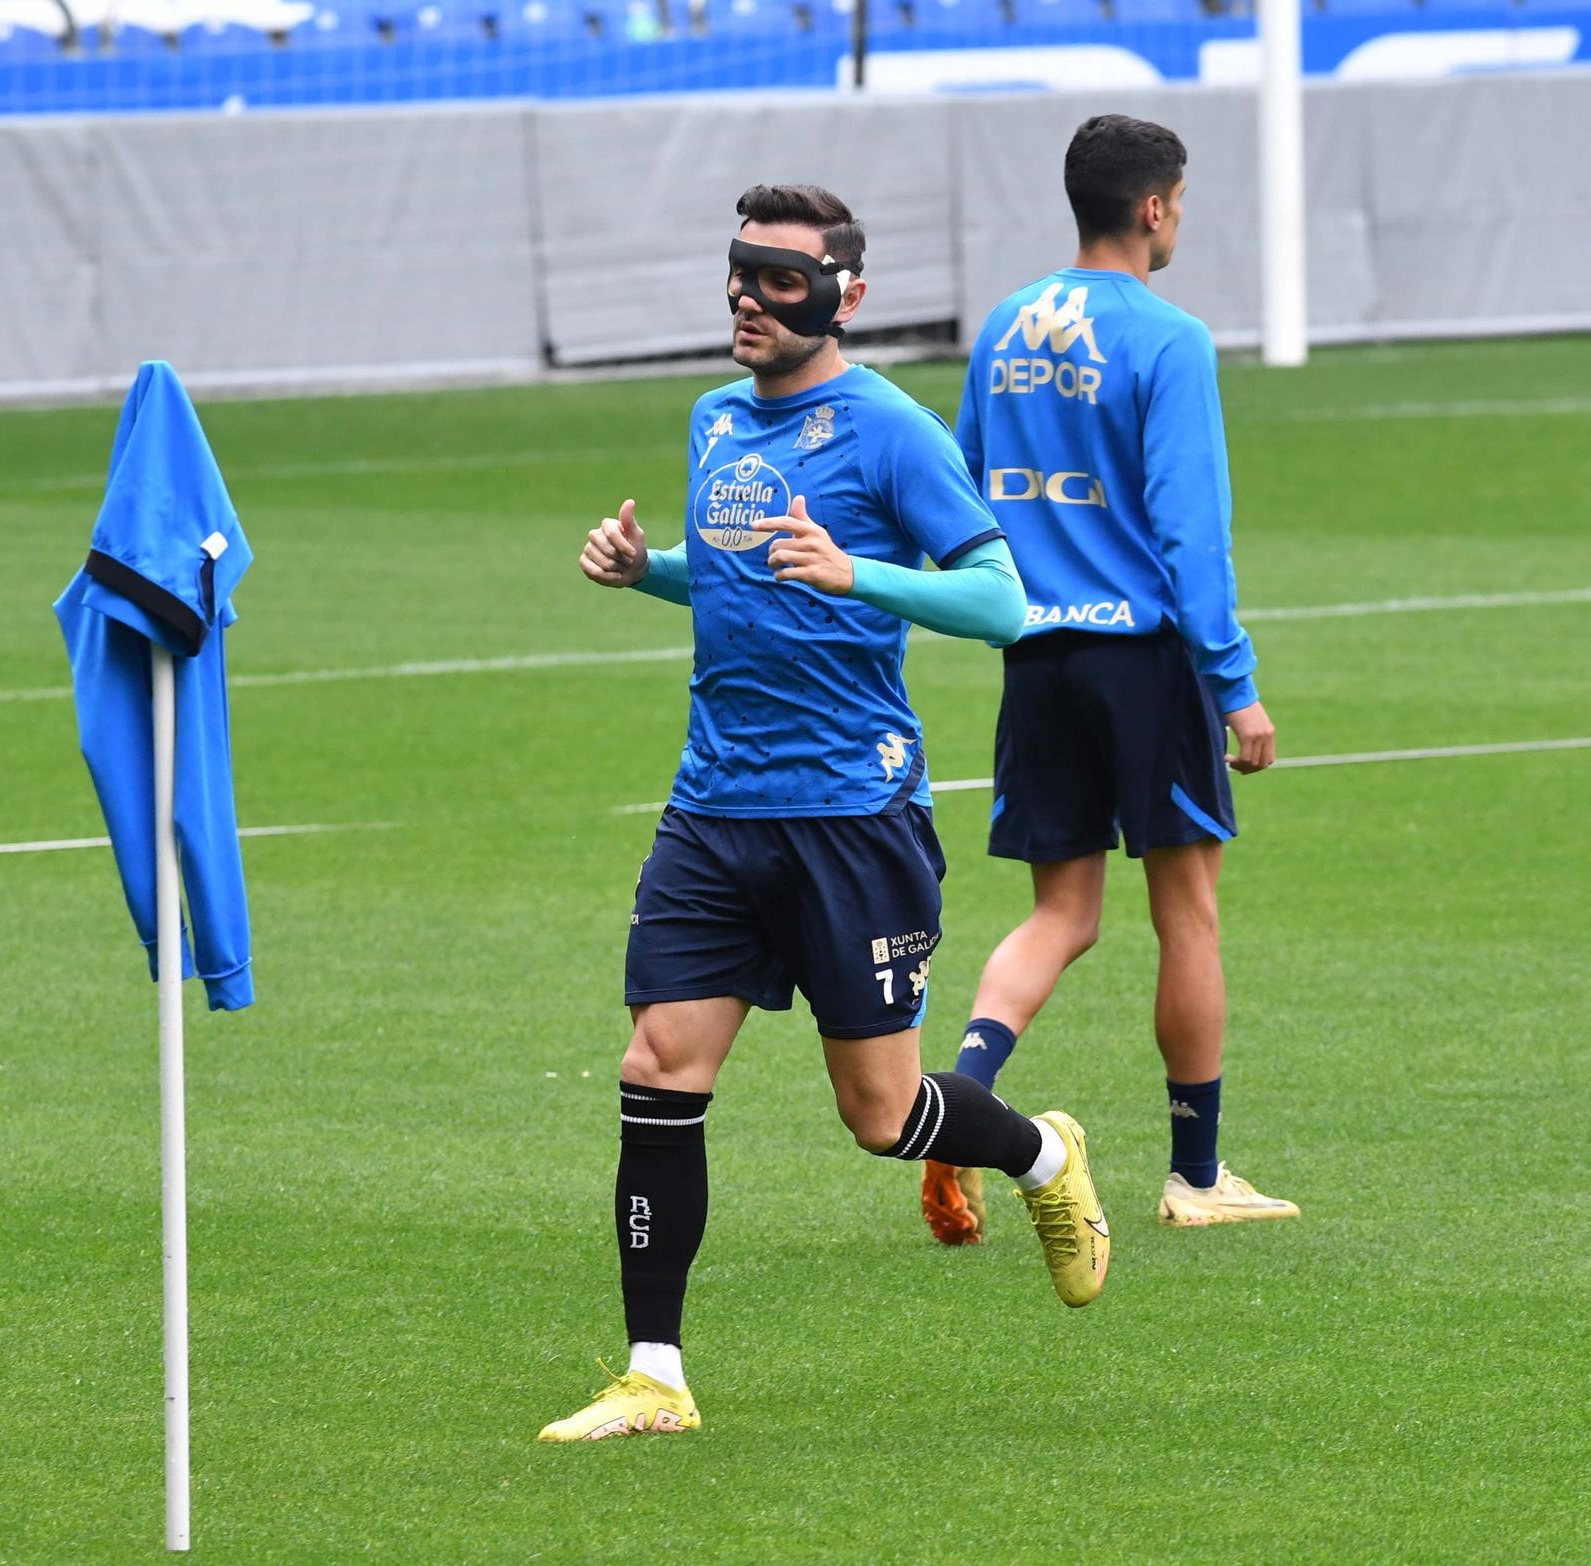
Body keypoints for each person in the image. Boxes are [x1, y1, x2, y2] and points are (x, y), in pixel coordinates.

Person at [540, 183, 1110, 1444]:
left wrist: (863, 573)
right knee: (656, 1067)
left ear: (844, 296)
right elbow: (738, 575)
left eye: (778, 280)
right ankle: (655, 1376)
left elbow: (1001, 602)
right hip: (713, 808)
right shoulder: (712, 421)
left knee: (881, 1117)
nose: (747, 297)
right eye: (736, 273)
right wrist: (653, 577)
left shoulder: (891, 432)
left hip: (851, 815)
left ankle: (1041, 1159)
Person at [920, 115, 1298, 1246]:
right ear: (1152, 207)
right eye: (1177, 202)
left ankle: (955, 1103)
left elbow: (960, 487)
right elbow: (1190, 532)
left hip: (1034, 654)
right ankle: (1195, 1174)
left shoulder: (1003, 327)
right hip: (1141, 660)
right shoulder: (1167, 338)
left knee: (1058, 913)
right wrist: (1233, 684)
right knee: (1186, 915)